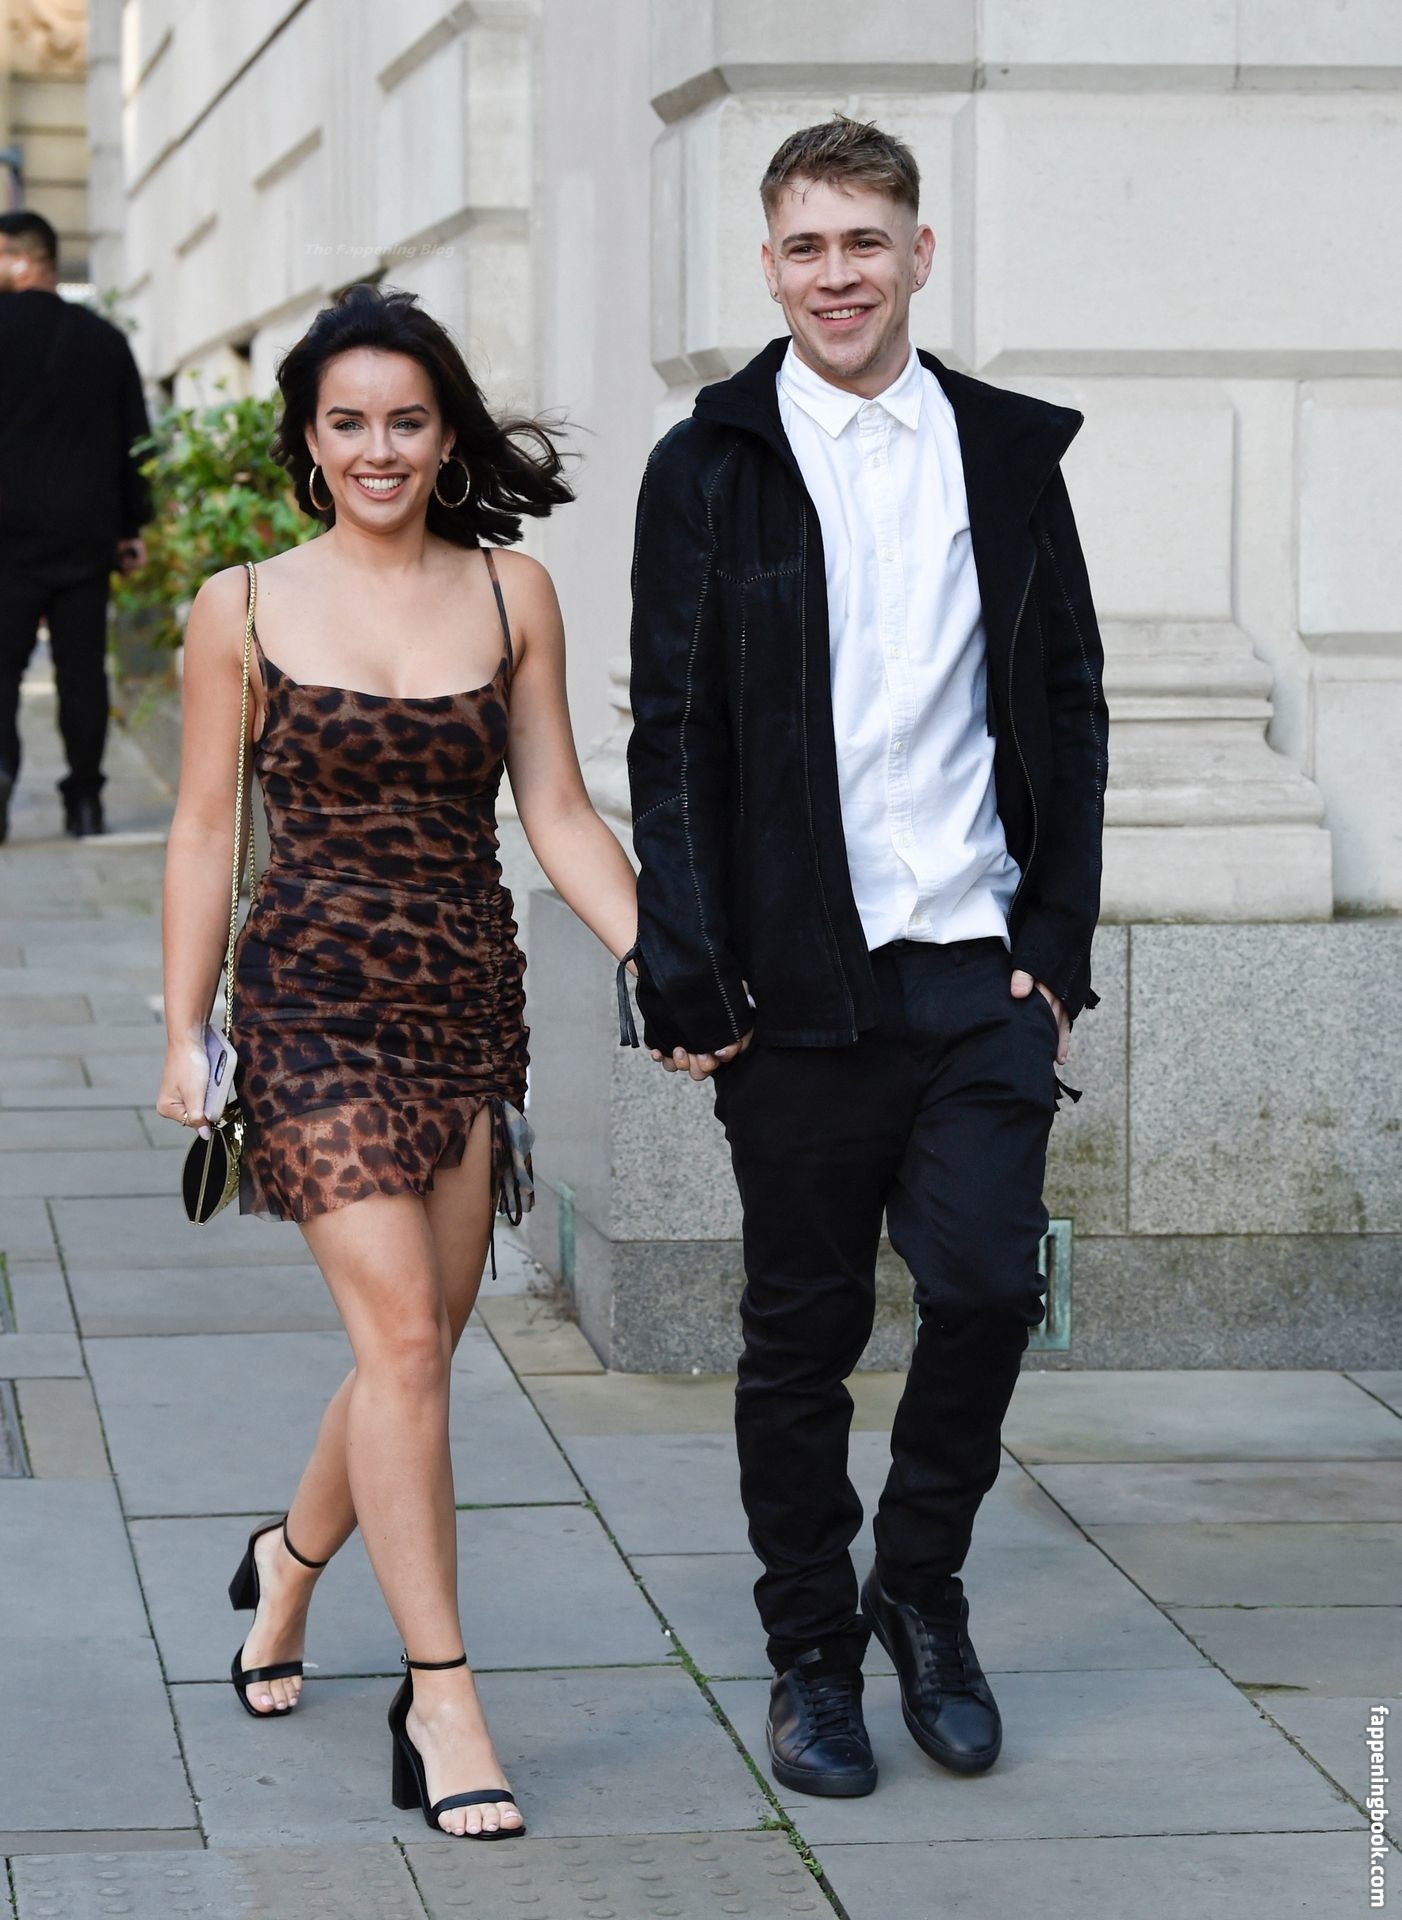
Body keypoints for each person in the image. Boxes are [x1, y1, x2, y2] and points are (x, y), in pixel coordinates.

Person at [626, 117, 1108, 1798]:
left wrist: (1054, 951)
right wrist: (689, 973)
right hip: (797, 989)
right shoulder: (709, 464)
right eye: (806, 247)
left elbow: (1067, 706)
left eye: (864, 241)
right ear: (769, 268)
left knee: (981, 1289)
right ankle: (812, 1655)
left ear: (918, 254)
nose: (837, 274)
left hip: (976, 971)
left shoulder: (1004, 453)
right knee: (800, 1337)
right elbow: (672, 736)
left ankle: (919, 1587)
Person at [158, 283, 638, 1839]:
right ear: (308, 439)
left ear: (445, 437)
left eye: (407, 422)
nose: (379, 448)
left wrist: (663, 953)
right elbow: (204, 827)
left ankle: (285, 1567)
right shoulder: (240, 606)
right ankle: (439, 1699)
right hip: (308, 1006)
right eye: (349, 422)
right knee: (412, 1352)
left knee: (407, 1351)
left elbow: (556, 809)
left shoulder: (512, 592)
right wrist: (184, 1028)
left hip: (463, 1007)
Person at [0, 209, 152, 841]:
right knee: (82, 671)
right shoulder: (103, 339)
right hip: (85, 538)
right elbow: (135, 441)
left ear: (21, 258)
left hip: (5, 542)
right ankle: (85, 801)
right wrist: (132, 527)